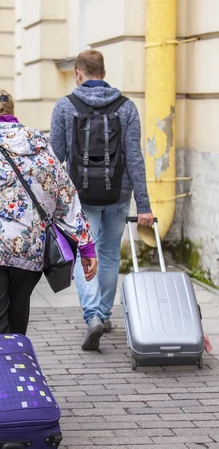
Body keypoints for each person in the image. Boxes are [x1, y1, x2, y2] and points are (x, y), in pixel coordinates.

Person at [0, 88, 98, 336]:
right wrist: (86, 246)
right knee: (16, 327)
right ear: (11, 113)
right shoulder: (39, 147)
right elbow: (67, 198)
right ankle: (16, 370)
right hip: (29, 254)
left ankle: (0, 373)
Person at [50, 50, 154, 351]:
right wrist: (144, 205)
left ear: (78, 73)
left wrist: (52, 202)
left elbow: (55, 158)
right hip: (118, 194)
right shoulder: (127, 108)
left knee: (87, 252)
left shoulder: (64, 106)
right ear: (104, 74)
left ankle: (93, 315)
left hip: (80, 198)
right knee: (109, 255)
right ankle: (104, 315)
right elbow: (135, 158)